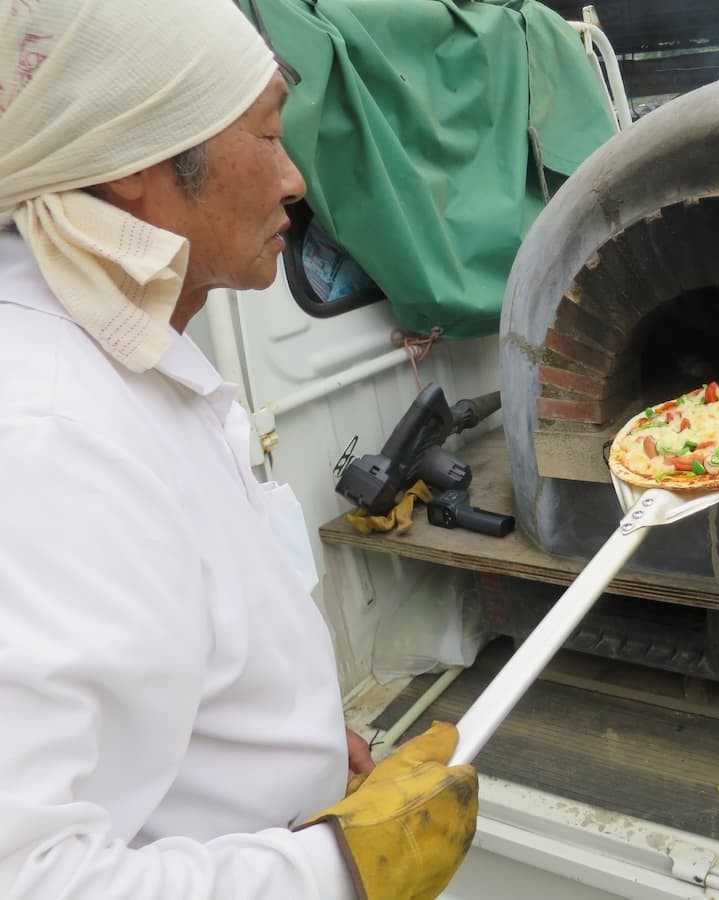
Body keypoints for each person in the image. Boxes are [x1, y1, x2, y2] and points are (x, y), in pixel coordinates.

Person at [0, 1, 477, 898]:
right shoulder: (39, 438)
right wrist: (336, 870)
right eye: (268, 137)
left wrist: (281, 741)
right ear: (139, 165)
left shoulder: (128, 352)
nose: (295, 182)